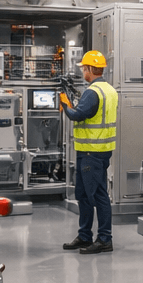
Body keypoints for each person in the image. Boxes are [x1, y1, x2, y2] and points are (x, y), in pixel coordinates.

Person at [60, 50, 118, 254]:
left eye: (84, 68)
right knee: (83, 194)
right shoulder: (108, 90)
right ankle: (85, 236)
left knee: (99, 194)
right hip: (93, 150)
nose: (83, 71)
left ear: (90, 69)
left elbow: (77, 114)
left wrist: (64, 102)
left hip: (92, 152)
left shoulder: (93, 92)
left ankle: (104, 239)